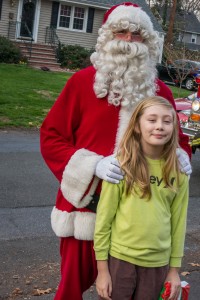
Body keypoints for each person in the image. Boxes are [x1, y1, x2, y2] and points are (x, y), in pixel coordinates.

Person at [40, 3, 192, 299]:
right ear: (108, 38)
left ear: (147, 42)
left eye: (137, 35)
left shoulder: (161, 92)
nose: (128, 41)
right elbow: (51, 136)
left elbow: (177, 138)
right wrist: (90, 165)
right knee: (71, 287)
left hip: (138, 221)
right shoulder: (81, 83)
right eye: (121, 32)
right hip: (87, 208)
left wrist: (181, 154)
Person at [94, 96, 189, 300]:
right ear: (137, 126)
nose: (160, 126)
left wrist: (174, 270)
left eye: (167, 121)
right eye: (152, 120)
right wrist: (102, 271)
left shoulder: (179, 172)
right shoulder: (120, 167)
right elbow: (103, 220)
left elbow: (179, 223)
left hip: (158, 264)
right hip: (120, 259)